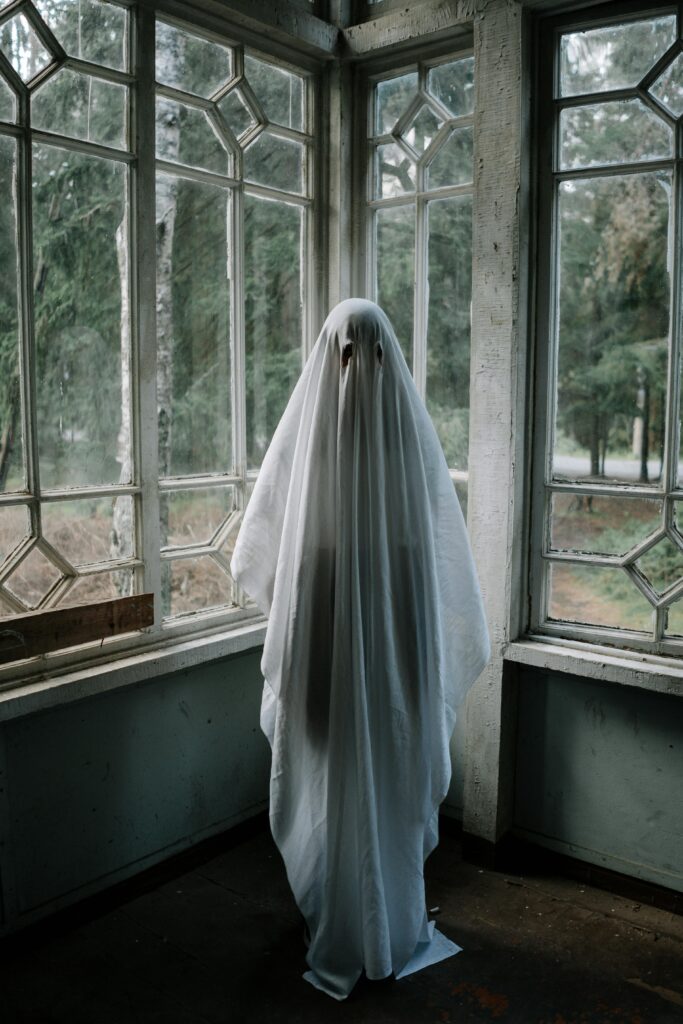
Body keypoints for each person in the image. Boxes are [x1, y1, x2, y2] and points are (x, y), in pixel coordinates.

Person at [231, 298, 490, 999]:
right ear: (330, 359)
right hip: (327, 641)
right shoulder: (327, 437)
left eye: (368, 356)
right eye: (347, 356)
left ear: (384, 359)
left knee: (384, 781)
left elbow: (428, 564)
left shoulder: (395, 438)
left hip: (388, 641)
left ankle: (382, 920)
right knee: (335, 783)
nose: (358, 371)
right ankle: (347, 919)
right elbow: (273, 550)